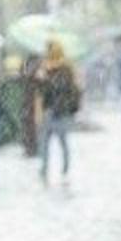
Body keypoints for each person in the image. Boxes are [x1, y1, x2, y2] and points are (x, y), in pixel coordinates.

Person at [36, 40, 80, 182]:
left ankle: (47, 169)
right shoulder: (67, 68)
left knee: (46, 142)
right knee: (60, 141)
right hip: (60, 111)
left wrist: (45, 79)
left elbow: (51, 90)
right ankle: (62, 169)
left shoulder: (53, 69)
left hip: (52, 111)